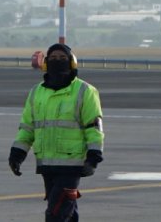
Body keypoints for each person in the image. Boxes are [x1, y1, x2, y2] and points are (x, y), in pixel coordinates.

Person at [9, 43, 104, 222]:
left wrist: (94, 156)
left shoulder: (85, 91)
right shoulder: (36, 92)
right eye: (52, 58)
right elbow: (27, 127)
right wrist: (17, 153)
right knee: (68, 213)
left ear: (72, 62)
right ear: (45, 63)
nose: (57, 61)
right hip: (46, 163)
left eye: (62, 58)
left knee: (56, 214)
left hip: (72, 164)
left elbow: (93, 128)